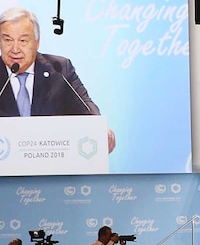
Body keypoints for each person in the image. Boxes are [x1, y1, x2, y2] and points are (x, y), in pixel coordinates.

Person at [0, 8, 116, 148]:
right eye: (8, 40)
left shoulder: (59, 69)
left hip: (51, 163)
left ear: (37, 42)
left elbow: (86, 109)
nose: (15, 49)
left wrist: (99, 129)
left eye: (23, 40)